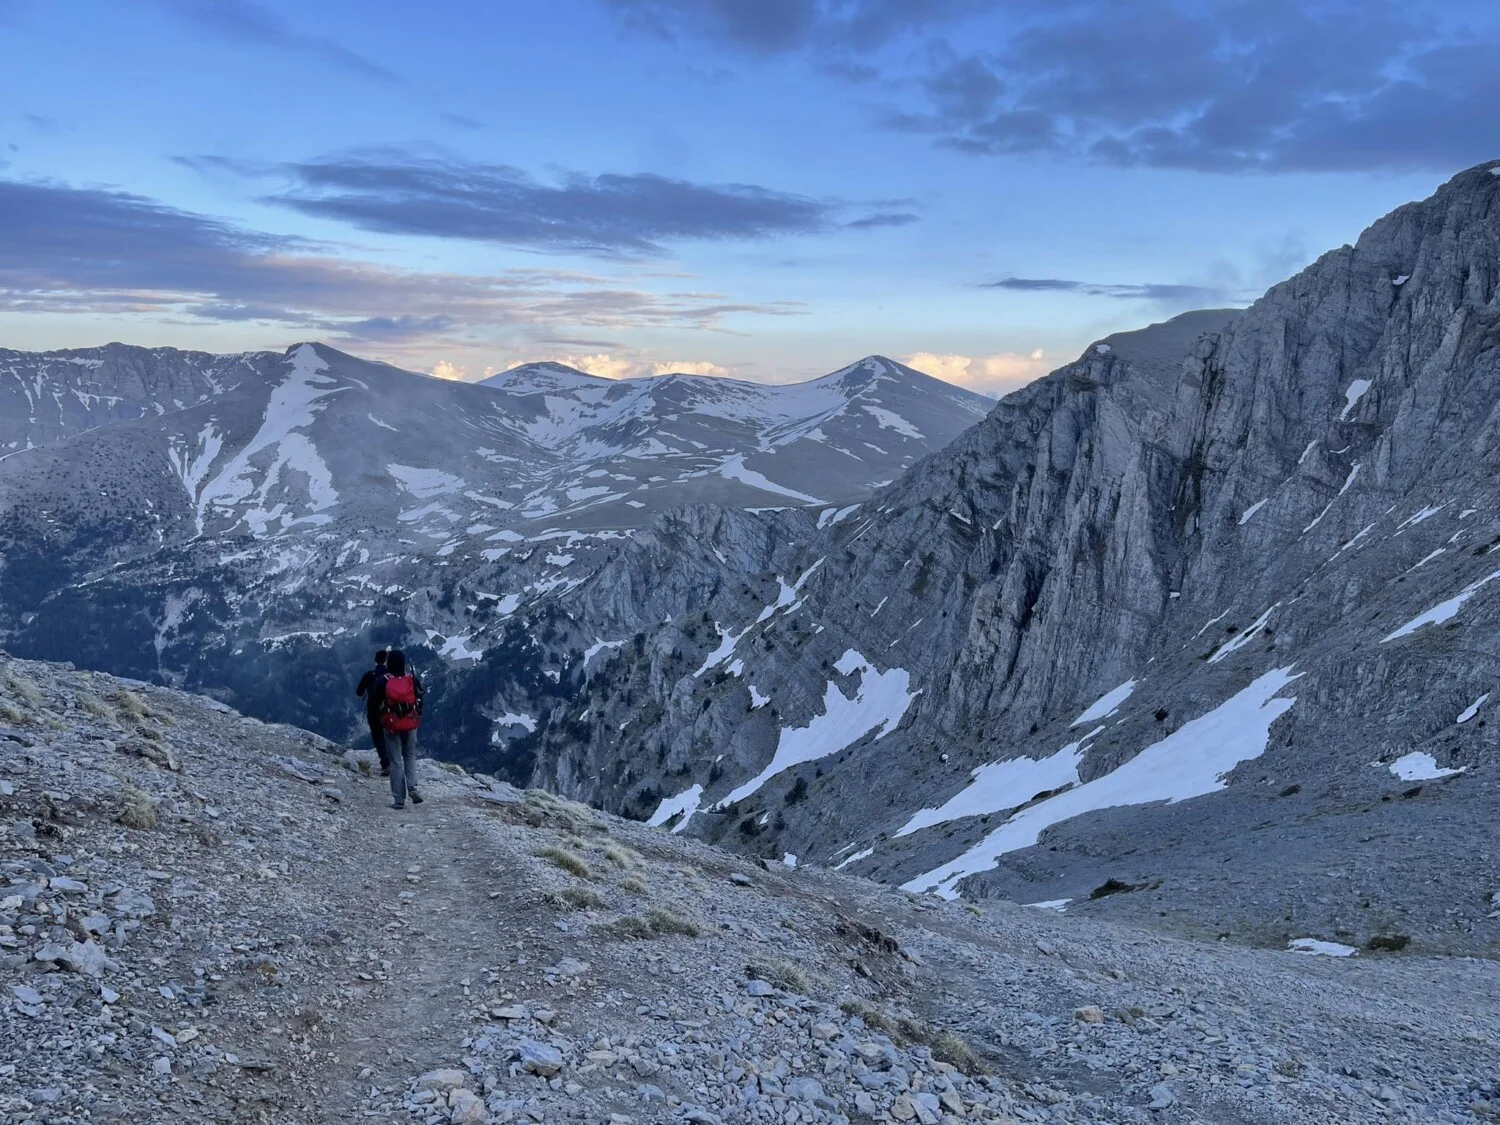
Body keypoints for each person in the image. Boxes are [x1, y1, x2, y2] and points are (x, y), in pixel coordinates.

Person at [375, 649, 425, 809]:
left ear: (389, 663)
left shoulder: (383, 681)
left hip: (391, 726)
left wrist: (381, 722)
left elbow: (375, 703)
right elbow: (420, 699)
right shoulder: (412, 679)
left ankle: (398, 799)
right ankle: (412, 786)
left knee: (396, 761)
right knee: (410, 755)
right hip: (410, 724)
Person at [355, 649, 391, 776]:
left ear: (375, 661)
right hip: (391, 710)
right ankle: (395, 762)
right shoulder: (391, 675)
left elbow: (359, 692)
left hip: (374, 710)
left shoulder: (369, 675)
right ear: (386, 661)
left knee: (378, 736)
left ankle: (385, 764)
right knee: (391, 736)